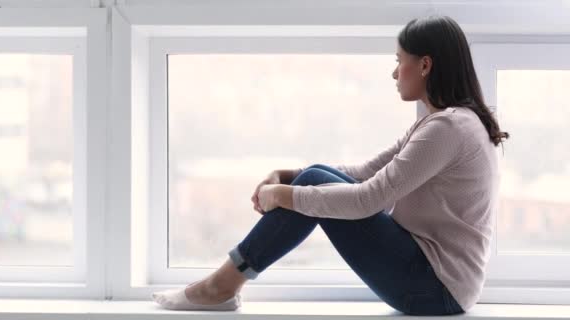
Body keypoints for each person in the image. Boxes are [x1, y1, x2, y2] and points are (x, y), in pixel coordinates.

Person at [152, 14, 509, 315]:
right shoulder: (447, 123)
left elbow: (367, 199)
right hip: (436, 283)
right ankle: (224, 284)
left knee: (313, 183)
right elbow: (364, 172)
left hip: (433, 289)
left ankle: (221, 285)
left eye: (400, 60)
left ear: (425, 65)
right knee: (313, 178)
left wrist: (284, 195)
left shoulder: (447, 129)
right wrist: (290, 178)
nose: (395, 72)